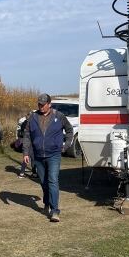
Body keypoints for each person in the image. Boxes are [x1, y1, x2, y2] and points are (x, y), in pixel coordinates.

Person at [22, 93, 73, 223]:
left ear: (49, 104)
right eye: (39, 104)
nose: (41, 107)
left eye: (43, 105)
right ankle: (46, 203)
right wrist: (26, 153)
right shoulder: (33, 117)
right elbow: (27, 135)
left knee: (52, 180)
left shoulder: (59, 116)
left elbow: (69, 131)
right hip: (38, 155)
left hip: (54, 154)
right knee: (44, 182)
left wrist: (65, 145)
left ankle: (55, 210)